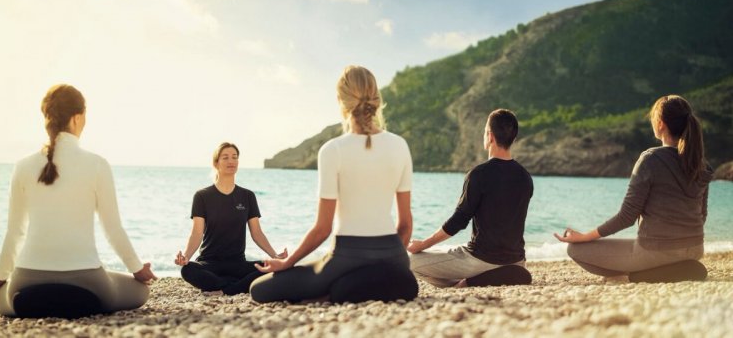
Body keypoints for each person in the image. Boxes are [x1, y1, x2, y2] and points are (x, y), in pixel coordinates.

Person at [0, 84, 156, 316]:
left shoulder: (22, 166)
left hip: (27, 281)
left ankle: (34, 302)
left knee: (0, 299)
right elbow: (112, 229)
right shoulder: (97, 164)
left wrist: (0, 275)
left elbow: (15, 231)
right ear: (77, 118)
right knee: (139, 291)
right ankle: (81, 302)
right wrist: (137, 269)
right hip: (88, 281)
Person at [249, 65, 414, 303]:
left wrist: (287, 262)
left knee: (259, 289)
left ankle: (336, 289)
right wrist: (391, 258)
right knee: (368, 279)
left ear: (341, 101)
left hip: (346, 258)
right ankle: (358, 286)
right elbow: (406, 225)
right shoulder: (400, 146)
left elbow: (322, 229)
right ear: (377, 98)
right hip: (394, 258)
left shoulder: (332, 150)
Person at [554, 95, 713, 278]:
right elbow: (702, 215)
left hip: (656, 252)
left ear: (661, 124)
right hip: (695, 249)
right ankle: (669, 270)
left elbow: (627, 217)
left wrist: (584, 237)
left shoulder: (650, 159)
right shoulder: (702, 164)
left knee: (575, 250)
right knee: (638, 252)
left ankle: (641, 275)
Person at [407, 109, 533, 287]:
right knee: (441, 252)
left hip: (479, 259)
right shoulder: (525, 177)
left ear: (489, 136)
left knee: (409, 261)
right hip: (516, 260)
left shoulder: (479, 174)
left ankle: (469, 283)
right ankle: (495, 276)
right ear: (513, 138)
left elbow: (459, 221)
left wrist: (423, 244)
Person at [175, 142, 286, 295]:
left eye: (234, 157)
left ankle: (223, 288)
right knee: (188, 270)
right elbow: (196, 233)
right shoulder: (202, 196)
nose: (231, 161)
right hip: (209, 263)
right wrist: (186, 256)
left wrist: (275, 256)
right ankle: (235, 287)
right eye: (225, 157)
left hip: (237, 264)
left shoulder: (247, 196)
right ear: (216, 163)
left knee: (270, 267)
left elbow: (257, 233)